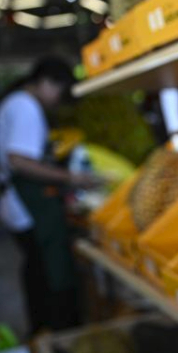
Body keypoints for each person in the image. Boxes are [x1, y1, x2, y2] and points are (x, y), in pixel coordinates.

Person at [0, 57, 101, 334]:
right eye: (60, 91)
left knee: (35, 266)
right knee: (45, 268)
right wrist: (71, 178)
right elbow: (19, 159)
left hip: (16, 200)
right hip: (25, 201)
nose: (59, 101)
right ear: (45, 82)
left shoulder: (16, 102)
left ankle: (43, 329)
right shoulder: (25, 107)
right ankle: (56, 330)